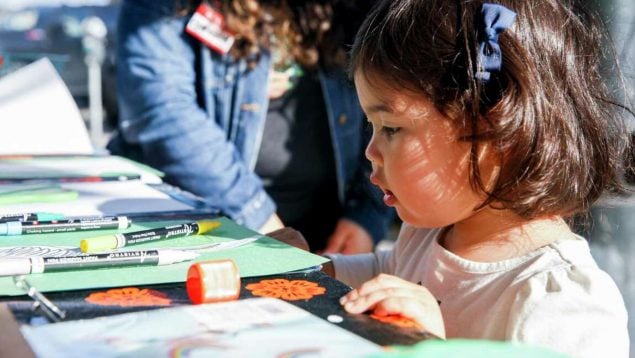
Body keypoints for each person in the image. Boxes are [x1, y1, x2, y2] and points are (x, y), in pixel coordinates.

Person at [290, 0, 630, 355]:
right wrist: (309, 270)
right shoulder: (428, 232)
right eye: (371, 127)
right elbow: (385, 271)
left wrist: (432, 347)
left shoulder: (560, 301)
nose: (369, 152)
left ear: (493, 132)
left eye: (391, 128)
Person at [107, 0, 392, 253]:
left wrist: (365, 218)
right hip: (198, 236)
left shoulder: (352, 8)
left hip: (326, 236)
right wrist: (258, 217)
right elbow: (163, 113)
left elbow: (388, 107)